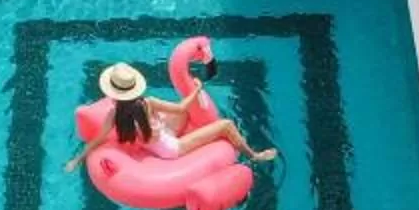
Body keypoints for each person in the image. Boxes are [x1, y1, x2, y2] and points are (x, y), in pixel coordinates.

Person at [63, 62, 279, 172]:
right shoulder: (149, 103)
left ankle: (169, 132)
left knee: (179, 116)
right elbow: (181, 106)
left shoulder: (113, 114)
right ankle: (254, 156)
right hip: (170, 149)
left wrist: (76, 160)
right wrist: (196, 89)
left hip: (153, 143)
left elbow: (96, 141)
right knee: (226, 125)